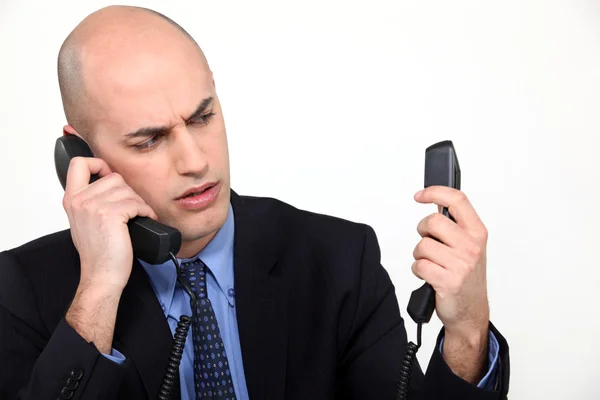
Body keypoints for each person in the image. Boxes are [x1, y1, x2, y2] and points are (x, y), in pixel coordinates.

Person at [0, 5, 509, 400]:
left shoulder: (336, 259)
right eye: (149, 140)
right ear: (82, 154)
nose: (196, 161)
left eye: (202, 117)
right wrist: (100, 291)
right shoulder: (20, 291)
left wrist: (466, 330)